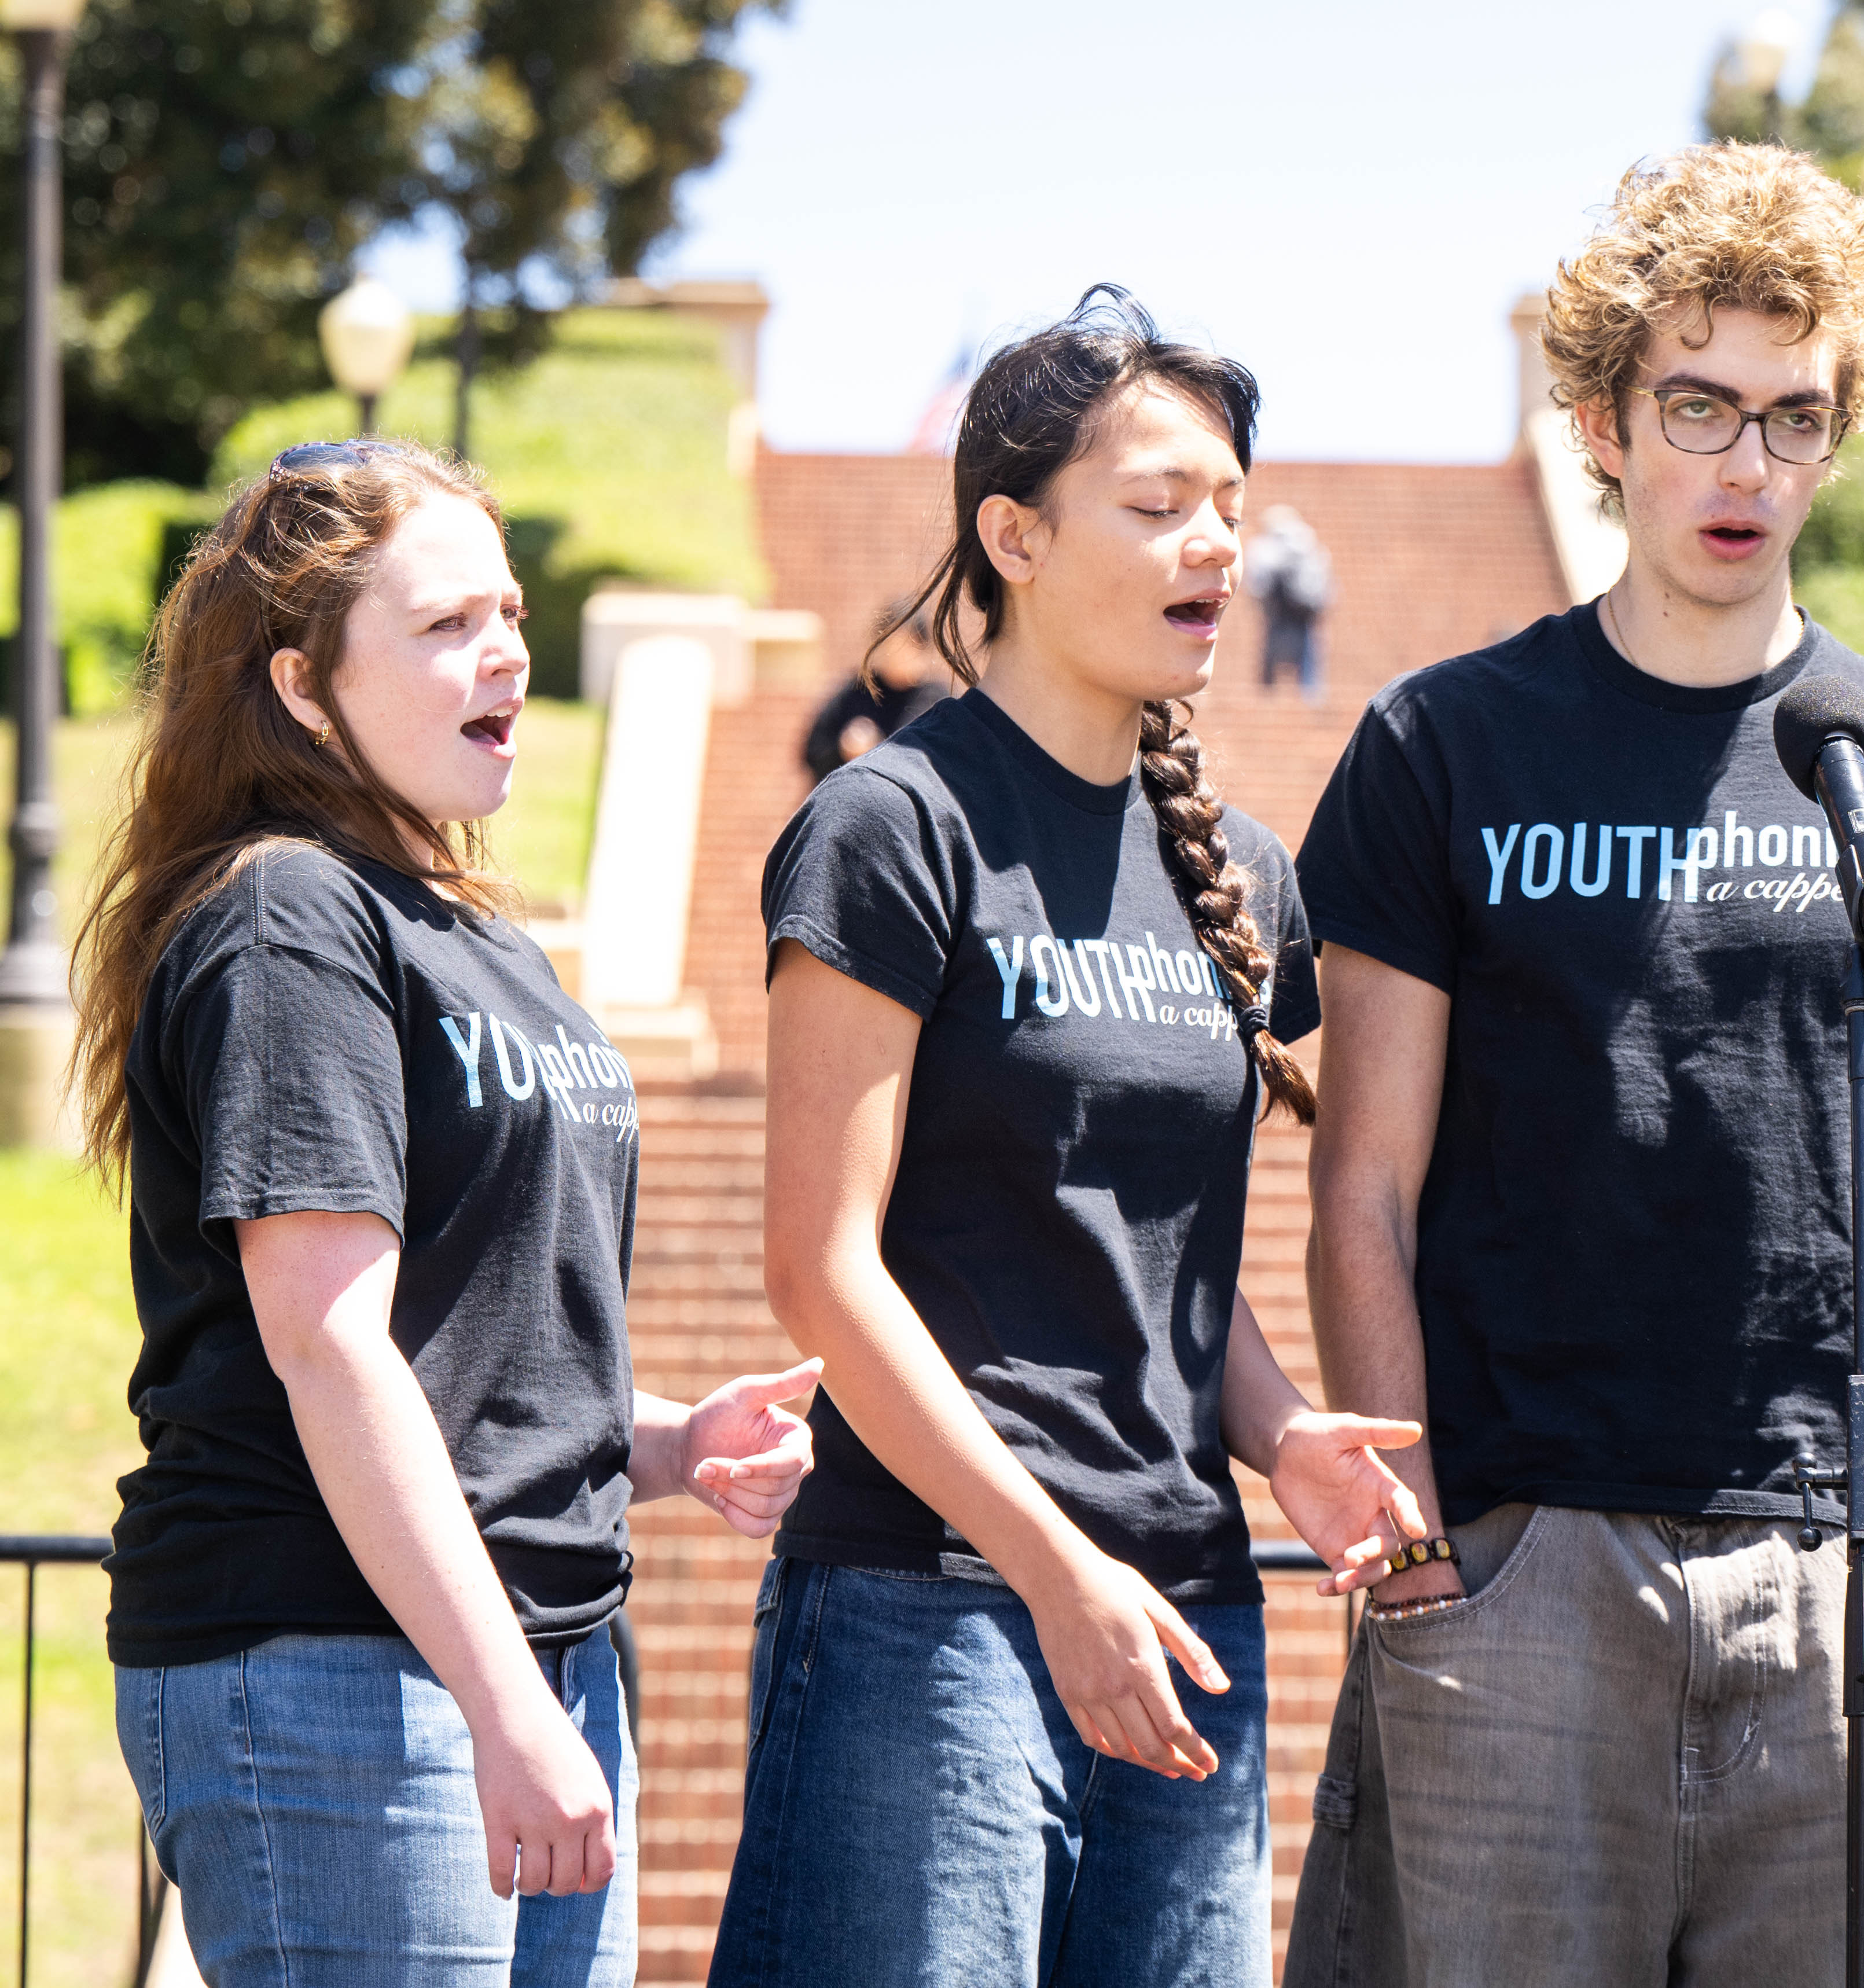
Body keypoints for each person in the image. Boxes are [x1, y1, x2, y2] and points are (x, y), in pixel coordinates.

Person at [1285, 144, 1864, 1987]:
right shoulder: (1441, 743)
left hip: (1831, 1556)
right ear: (1601, 421)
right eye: (1700, 405)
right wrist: (1422, 1557)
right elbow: (1361, 1184)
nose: (1748, 467)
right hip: (1518, 1546)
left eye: (1795, 418)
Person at [708, 288, 1428, 1988]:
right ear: (1014, 533)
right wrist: (1055, 1568)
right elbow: (820, 1267)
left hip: (1187, 1614)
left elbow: (1171, 1275)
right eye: (1161, 504)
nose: (1215, 549)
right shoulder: (894, 825)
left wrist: (1282, 1435)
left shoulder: (1243, 868)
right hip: (934, 1604)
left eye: (1234, 512)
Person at [74, 438, 823, 1986]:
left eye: (510, 614)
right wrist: (502, 1707)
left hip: (526, 1662)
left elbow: (462, 1331)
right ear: (299, 687)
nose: (505, 656)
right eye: (443, 625)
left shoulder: (481, 942)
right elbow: (333, 1341)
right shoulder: (289, 912)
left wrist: (668, 1441)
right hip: (342, 1667)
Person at [799, 600, 950, 780]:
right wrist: (843, 749)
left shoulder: (936, 701)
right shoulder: (858, 691)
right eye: (890, 645)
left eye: (905, 646)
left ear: (922, 648)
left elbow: (940, 761)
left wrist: (877, 750)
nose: (897, 655)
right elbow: (812, 751)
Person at [1246, 503, 1332, 699]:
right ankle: (1311, 697)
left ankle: (1267, 696)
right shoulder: (1308, 543)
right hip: (1305, 611)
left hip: (1279, 611)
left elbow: (1259, 582)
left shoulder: (1267, 546)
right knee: (1307, 656)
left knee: (1272, 656)